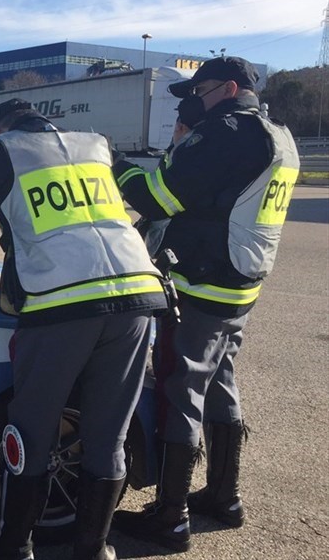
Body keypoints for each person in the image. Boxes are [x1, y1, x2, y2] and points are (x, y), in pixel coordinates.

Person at [0, 98, 169, 560]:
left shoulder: (1, 151)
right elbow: (154, 201)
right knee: (109, 435)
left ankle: (13, 547)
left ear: (0, 129)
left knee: (31, 428)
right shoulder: (96, 146)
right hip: (137, 296)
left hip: (62, 304)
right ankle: (94, 549)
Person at [110, 57, 300, 552]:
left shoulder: (227, 131)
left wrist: (114, 166)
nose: (195, 99)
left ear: (231, 88)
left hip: (203, 283)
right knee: (221, 380)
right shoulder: (278, 135)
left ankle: (171, 518)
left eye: (203, 89)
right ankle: (223, 496)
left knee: (181, 386)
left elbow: (158, 198)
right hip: (242, 282)